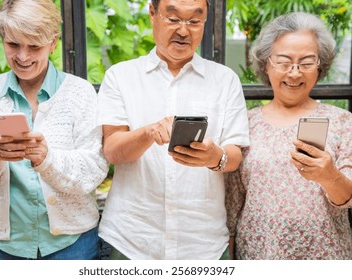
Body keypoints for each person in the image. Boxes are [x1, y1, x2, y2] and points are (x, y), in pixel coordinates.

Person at [97, 0, 250, 260]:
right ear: (153, 13)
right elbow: (112, 151)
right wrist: (147, 134)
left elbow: (235, 155)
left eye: (194, 21)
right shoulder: (120, 76)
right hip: (131, 240)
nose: (183, 31)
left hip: (203, 243)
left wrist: (215, 157)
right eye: (173, 18)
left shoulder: (225, 80)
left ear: (205, 23)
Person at [0, 0, 108, 260]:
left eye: (35, 46)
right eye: (13, 44)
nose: (23, 57)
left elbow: (94, 169)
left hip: (71, 245)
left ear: (53, 43)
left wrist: (47, 159)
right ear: (2, 39)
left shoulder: (80, 92)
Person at [226, 12, 352, 260]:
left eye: (306, 62)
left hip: (325, 258)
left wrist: (329, 176)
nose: (294, 74)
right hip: (259, 256)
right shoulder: (245, 123)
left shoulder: (342, 121)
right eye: (284, 62)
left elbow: (348, 198)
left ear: (320, 65)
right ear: (266, 64)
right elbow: (233, 203)